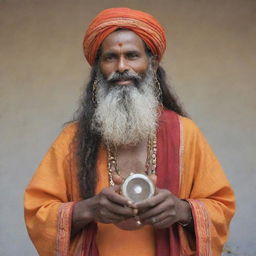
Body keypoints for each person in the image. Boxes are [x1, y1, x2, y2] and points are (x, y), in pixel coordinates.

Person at [24, 7, 235, 256]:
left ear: (153, 64)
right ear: (98, 69)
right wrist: (89, 209)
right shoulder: (72, 139)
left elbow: (221, 206)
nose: (122, 66)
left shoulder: (185, 133)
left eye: (132, 55)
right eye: (110, 57)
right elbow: (37, 213)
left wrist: (181, 210)